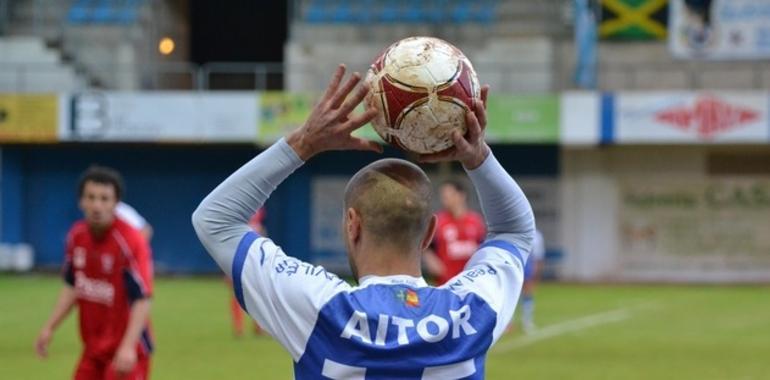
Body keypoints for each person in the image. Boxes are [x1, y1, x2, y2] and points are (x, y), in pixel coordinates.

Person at [192, 64, 535, 378]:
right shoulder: (472, 310)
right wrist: (478, 158)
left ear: (352, 224)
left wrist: (303, 143)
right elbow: (515, 230)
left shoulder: (321, 308)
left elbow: (216, 219)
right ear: (430, 232)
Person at [35, 166, 154, 380]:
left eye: (104, 198)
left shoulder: (130, 241)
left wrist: (128, 347)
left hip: (127, 349)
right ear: (81, 201)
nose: (97, 205)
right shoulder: (76, 236)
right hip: (93, 350)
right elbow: (73, 286)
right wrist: (49, 327)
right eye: (91, 197)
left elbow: (142, 299)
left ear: (116, 203)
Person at [423, 180, 486, 285]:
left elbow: (483, 246)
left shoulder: (476, 221)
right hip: (446, 282)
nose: (445, 199)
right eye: (443, 196)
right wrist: (431, 260)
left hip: (471, 281)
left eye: (449, 195)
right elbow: (426, 246)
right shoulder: (438, 221)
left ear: (461, 195)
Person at [227, 208, 267, 337]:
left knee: (257, 296)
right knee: (239, 296)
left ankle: (258, 327)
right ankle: (240, 328)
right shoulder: (236, 227)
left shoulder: (258, 228)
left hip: (252, 266)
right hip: (238, 264)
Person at [520, 229, 546, 333]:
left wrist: (537, 271)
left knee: (528, 292)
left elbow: (538, 255)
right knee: (511, 293)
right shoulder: (511, 229)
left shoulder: (536, 235)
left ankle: (527, 321)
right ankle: (507, 323)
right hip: (513, 262)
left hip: (527, 263)